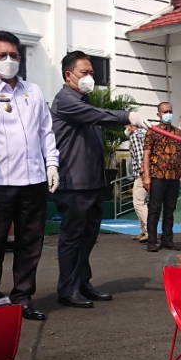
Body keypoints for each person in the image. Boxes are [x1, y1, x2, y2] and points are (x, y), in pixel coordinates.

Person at [0, 31, 59, 321]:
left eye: (14, 55)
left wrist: (52, 163)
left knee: (30, 243)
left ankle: (22, 297)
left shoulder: (33, 91)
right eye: (2, 55)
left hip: (32, 180)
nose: (9, 60)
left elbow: (46, 131)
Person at [51, 50, 149, 308]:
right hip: (73, 182)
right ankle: (68, 288)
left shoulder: (83, 103)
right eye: (84, 73)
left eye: (92, 73)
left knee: (88, 236)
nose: (90, 78)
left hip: (93, 182)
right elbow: (100, 115)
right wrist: (127, 116)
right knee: (73, 237)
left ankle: (82, 281)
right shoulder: (65, 101)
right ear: (68, 75)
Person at [142, 101, 181, 253]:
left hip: (173, 176)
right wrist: (146, 176)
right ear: (158, 114)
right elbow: (146, 154)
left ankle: (167, 239)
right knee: (154, 209)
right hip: (157, 175)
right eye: (165, 112)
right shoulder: (152, 132)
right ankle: (152, 241)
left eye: (170, 111)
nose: (168, 114)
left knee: (170, 210)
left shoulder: (178, 133)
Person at [126, 123, 149, 242]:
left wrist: (143, 173)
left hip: (142, 174)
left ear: (131, 126)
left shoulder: (135, 136)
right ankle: (143, 230)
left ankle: (149, 231)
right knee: (141, 202)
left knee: (139, 203)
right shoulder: (144, 134)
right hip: (146, 173)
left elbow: (140, 156)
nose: (125, 130)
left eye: (126, 127)